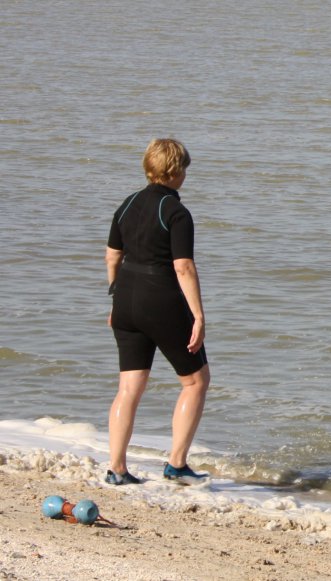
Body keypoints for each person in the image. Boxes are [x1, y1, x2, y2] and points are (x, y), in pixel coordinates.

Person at [104, 138, 211, 485]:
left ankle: (117, 469)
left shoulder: (127, 203)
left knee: (129, 387)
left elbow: (112, 256)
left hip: (125, 300)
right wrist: (198, 316)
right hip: (160, 299)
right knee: (196, 381)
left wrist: (114, 297)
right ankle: (177, 464)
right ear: (176, 171)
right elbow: (183, 267)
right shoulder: (176, 211)